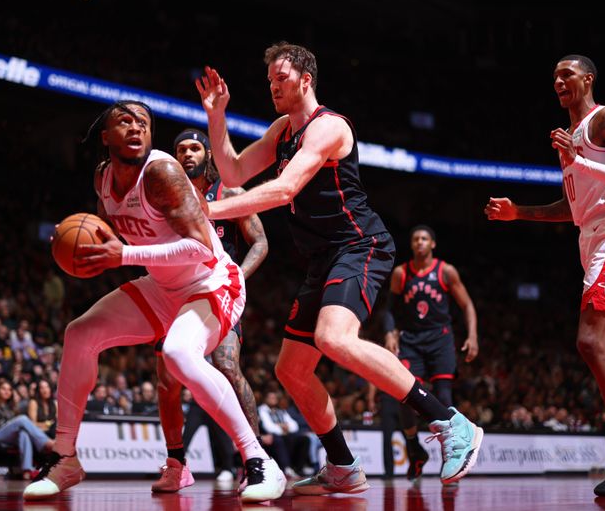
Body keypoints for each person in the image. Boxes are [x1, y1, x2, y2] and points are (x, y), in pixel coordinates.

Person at [196, 42, 483, 494]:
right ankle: (343, 466)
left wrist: (207, 213)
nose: (274, 86)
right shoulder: (281, 131)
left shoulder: (328, 127)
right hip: (322, 260)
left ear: (306, 80)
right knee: (291, 369)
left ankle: (450, 422)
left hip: (360, 245)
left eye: (282, 78)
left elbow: (285, 189)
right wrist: (217, 115)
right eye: (270, 80)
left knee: (333, 338)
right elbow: (231, 174)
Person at [23, 101, 285, 502]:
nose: (135, 127)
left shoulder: (162, 173)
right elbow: (108, 229)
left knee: (180, 353)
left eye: (143, 122)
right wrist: (79, 242)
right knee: (80, 334)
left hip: (212, 280)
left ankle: (259, 460)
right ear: (106, 137)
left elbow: (199, 249)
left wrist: (124, 256)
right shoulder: (103, 180)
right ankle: (65, 458)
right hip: (162, 286)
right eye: (124, 121)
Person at [484, 54, 605, 497]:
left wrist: (579, 160)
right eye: (553, 75)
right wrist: (519, 214)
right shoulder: (569, 138)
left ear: (587, 79)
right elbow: (571, 208)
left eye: (566, 74)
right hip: (591, 237)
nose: (558, 80)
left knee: (590, 341)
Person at [149, 128, 270, 492]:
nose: (187, 154)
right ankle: (177, 464)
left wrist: (240, 278)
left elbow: (260, 242)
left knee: (228, 366)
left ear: (207, 155)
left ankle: (255, 459)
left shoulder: (229, 194)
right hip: (174, 294)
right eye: (181, 149)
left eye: (195, 148)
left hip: (216, 295)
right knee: (166, 380)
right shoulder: (165, 199)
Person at [380, 225, 479, 480]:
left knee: (445, 398)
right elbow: (389, 309)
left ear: (432, 244)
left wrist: (472, 336)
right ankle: (414, 449)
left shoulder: (445, 271)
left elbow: (467, 304)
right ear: (412, 244)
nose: (420, 242)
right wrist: (390, 333)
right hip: (411, 340)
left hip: (440, 340)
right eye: (415, 239)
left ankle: (452, 459)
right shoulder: (401, 273)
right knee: (403, 392)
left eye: (424, 238)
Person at [0, 378, 54, 480]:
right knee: (22, 419)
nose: (7, 391)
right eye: (3, 389)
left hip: (10, 437)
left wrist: (10, 424)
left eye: (9, 389)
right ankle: (46, 443)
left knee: (23, 433)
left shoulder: (11, 407)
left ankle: (26, 470)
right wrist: (5, 423)